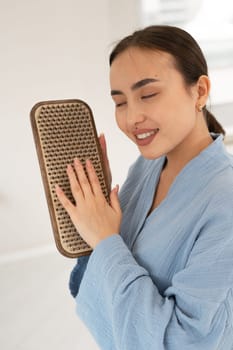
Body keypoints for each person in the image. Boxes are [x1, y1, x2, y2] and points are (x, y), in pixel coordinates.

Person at [55, 25, 233, 349]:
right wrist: (97, 208)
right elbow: (89, 283)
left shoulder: (226, 200)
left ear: (200, 91)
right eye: (120, 102)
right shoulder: (146, 167)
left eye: (148, 95)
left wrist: (106, 239)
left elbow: (183, 341)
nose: (131, 117)